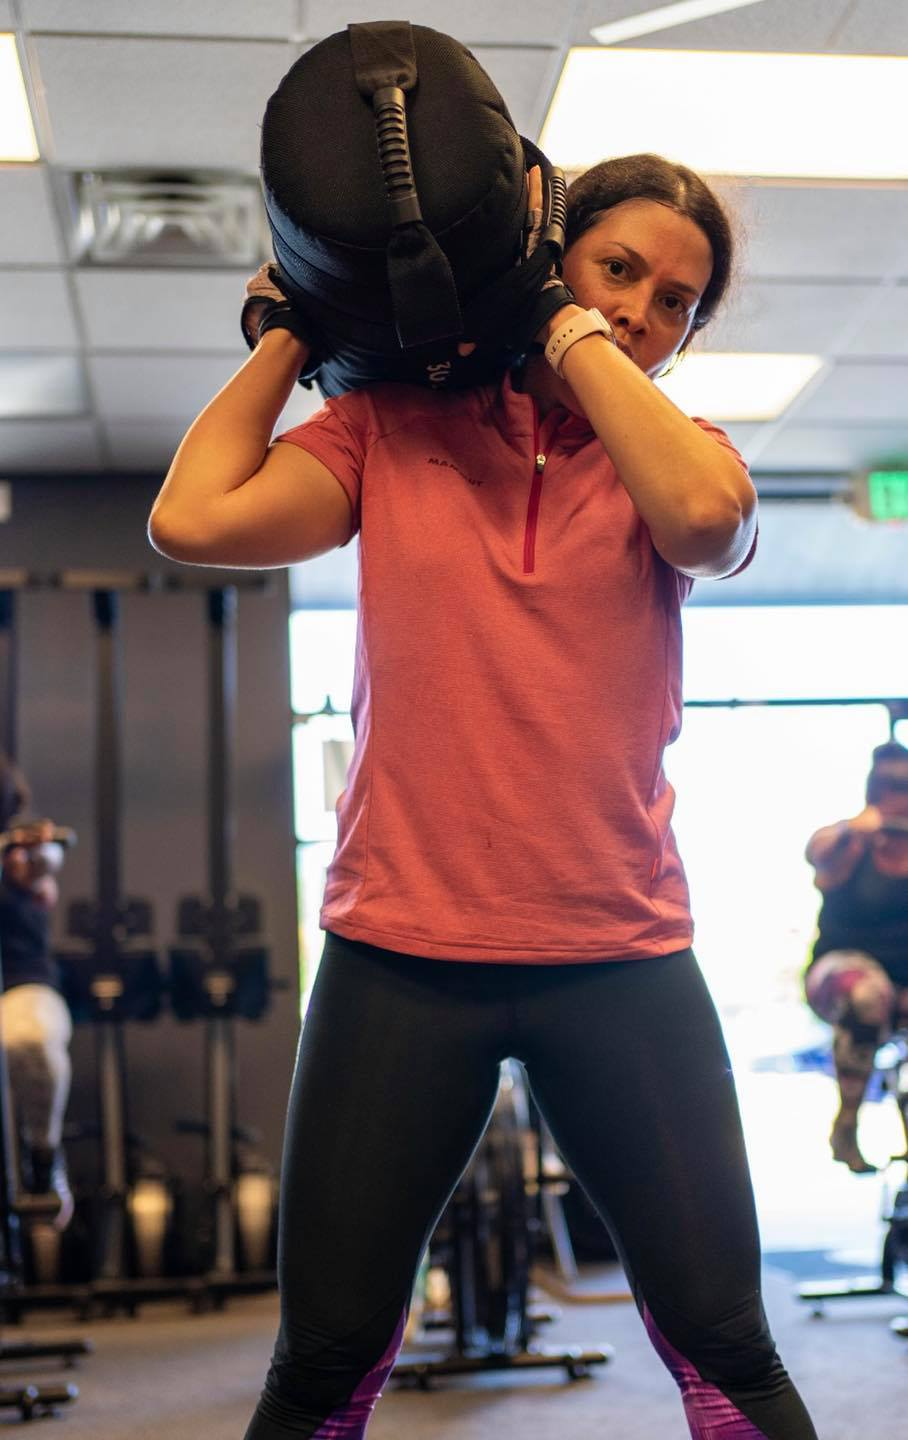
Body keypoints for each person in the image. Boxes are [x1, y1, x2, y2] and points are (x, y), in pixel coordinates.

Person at [149, 153, 818, 1440]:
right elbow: (193, 517)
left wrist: (556, 322)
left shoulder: (681, 457)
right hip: (401, 958)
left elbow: (698, 519)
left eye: (673, 302)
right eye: (614, 268)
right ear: (551, 245)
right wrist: (294, 331)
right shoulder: (388, 432)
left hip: (615, 957)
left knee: (726, 1342)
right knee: (323, 1356)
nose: (639, 309)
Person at [804, 740, 908, 1174]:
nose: (894, 794)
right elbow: (816, 850)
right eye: (886, 784)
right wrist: (855, 828)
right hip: (842, 972)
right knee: (868, 994)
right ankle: (847, 1123)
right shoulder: (849, 845)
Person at [0, 751, 74, 1228]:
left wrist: (37, 863)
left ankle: (43, 1158)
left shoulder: (22, 843)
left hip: (21, 987)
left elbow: (46, 864)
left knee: (27, 1038)